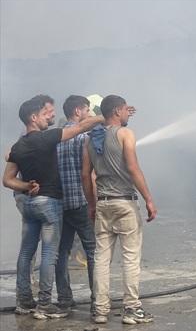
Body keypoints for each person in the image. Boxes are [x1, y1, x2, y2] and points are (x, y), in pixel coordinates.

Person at [2, 97, 104, 319]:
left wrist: (26, 186)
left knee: (26, 251)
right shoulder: (47, 138)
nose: (48, 117)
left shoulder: (17, 147)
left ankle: (24, 301)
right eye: (44, 114)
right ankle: (45, 304)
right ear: (33, 117)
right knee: (51, 253)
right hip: (49, 203)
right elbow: (81, 126)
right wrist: (108, 115)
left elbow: (7, 180)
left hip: (29, 204)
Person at [82, 94, 157, 325]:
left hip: (103, 203)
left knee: (101, 259)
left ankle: (100, 310)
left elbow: (86, 175)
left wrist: (92, 205)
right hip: (124, 203)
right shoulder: (126, 134)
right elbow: (133, 168)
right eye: (125, 110)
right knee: (130, 258)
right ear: (117, 112)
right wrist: (149, 199)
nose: (128, 114)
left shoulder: (89, 140)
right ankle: (132, 309)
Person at [55, 95, 97, 311]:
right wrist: (94, 203)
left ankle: (64, 299)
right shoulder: (84, 138)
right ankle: (97, 299)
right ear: (79, 111)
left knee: (61, 253)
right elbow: (88, 174)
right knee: (92, 251)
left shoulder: (56, 138)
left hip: (61, 205)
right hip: (82, 201)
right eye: (88, 110)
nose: (89, 114)